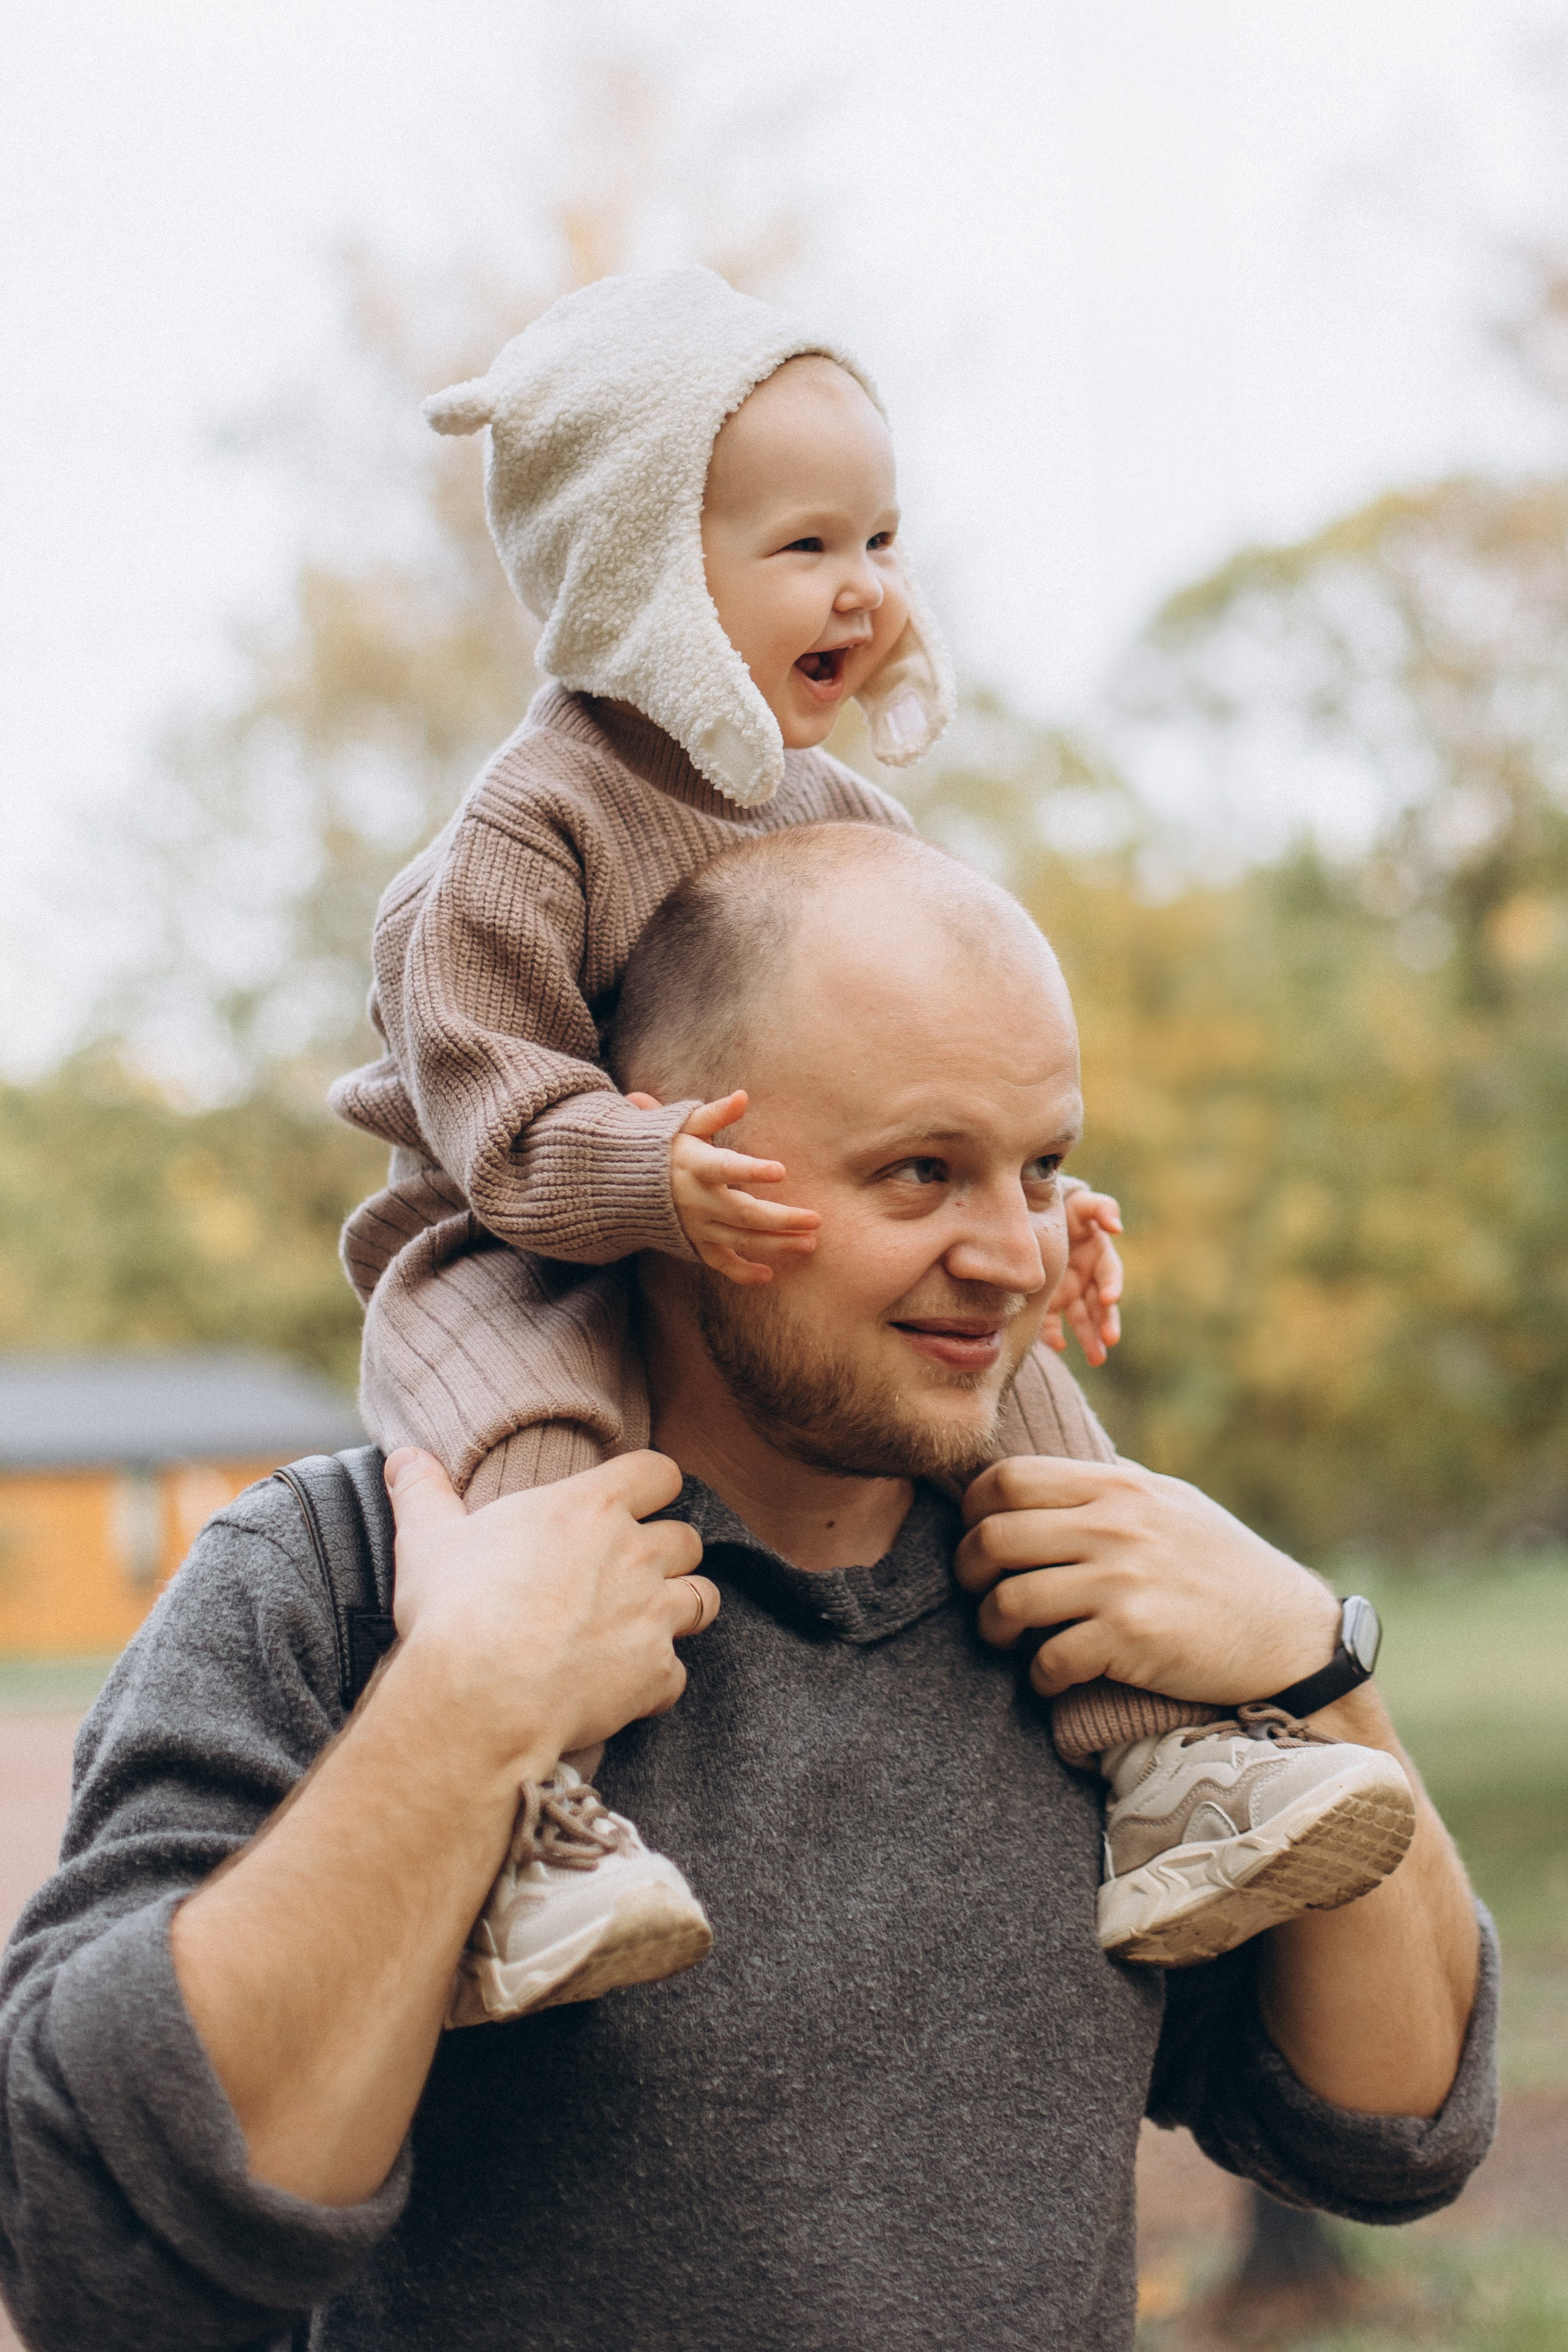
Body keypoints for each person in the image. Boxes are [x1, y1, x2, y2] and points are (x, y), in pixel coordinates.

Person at [0, 829, 1494, 2351]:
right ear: (663, 1168)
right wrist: (463, 1713)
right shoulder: (351, 1573)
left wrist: (1318, 1669)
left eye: (1040, 1167)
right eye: (919, 1172)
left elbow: (1388, 2132)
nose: (1011, 1253)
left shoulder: (1099, 1602)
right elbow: (93, 2262)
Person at [325, 266, 1405, 2011]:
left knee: (1024, 1388)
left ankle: (1173, 1764)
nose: (867, 590)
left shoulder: (841, 819)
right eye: (808, 545)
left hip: (756, 1223)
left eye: (885, 539)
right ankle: (532, 1827)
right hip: (511, 1237)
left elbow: (925, 1086)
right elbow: (494, 1118)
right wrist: (646, 1171)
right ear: (641, 565)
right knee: (539, 1464)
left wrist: (1030, 1197)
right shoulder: (523, 835)